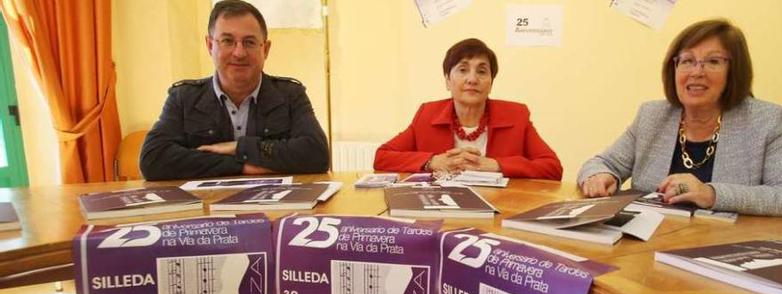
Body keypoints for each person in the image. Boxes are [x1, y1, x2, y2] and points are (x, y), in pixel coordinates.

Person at [576, 19, 782, 294]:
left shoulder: (766, 120)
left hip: (722, 261)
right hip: (644, 252)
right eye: (686, 61)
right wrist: (600, 174)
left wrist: (711, 193)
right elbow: (600, 161)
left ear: (734, 70)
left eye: (712, 61)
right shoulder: (654, 115)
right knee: (589, 276)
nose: (696, 72)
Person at [140, 0, 328, 180]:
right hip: (207, 208)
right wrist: (241, 167)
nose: (239, 53)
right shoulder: (183, 98)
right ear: (210, 45)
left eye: (249, 42)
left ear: (266, 49)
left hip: (275, 209)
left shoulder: (290, 95)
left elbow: (316, 154)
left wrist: (238, 148)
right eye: (227, 41)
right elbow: (153, 159)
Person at [374, 38, 562, 180]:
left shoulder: (516, 116)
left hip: (500, 207)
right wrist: (433, 162)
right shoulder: (427, 114)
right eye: (463, 70)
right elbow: (382, 157)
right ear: (448, 80)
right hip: (440, 207)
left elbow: (552, 168)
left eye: (481, 71)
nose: (472, 79)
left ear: (491, 83)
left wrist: (496, 165)